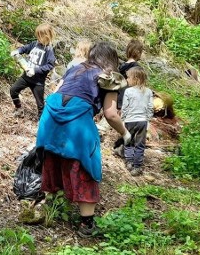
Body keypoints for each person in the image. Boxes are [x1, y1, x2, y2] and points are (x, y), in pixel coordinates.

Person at [36, 41, 130, 238]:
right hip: (77, 117)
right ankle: (87, 224)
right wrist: (125, 133)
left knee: (53, 156)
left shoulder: (76, 68)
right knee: (86, 163)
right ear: (112, 60)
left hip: (51, 112)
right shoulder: (110, 78)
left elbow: (56, 91)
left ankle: (52, 206)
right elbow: (111, 114)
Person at [10, 23, 56, 119]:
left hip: (38, 82)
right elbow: (25, 48)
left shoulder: (49, 50)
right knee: (13, 90)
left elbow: (50, 65)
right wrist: (18, 51)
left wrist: (35, 70)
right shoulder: (34, 44)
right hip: (26, 77)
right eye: (37, 36)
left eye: (40, 36)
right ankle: (19, 109)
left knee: (40, 104)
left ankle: (42, 120)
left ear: (47, 37)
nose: (38, 38)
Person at [119, 66, 153, 176]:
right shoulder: (148, 92)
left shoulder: (128, 91)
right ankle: (137, 166)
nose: (127, 79)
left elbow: (125, 107)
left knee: (129, 141)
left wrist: (123, 119)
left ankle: (129, 161)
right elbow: (150, 107)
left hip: (130, 120)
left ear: (136, 78)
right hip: (142, 121)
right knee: (140, 144)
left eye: (128, 77)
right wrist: (148, 119)